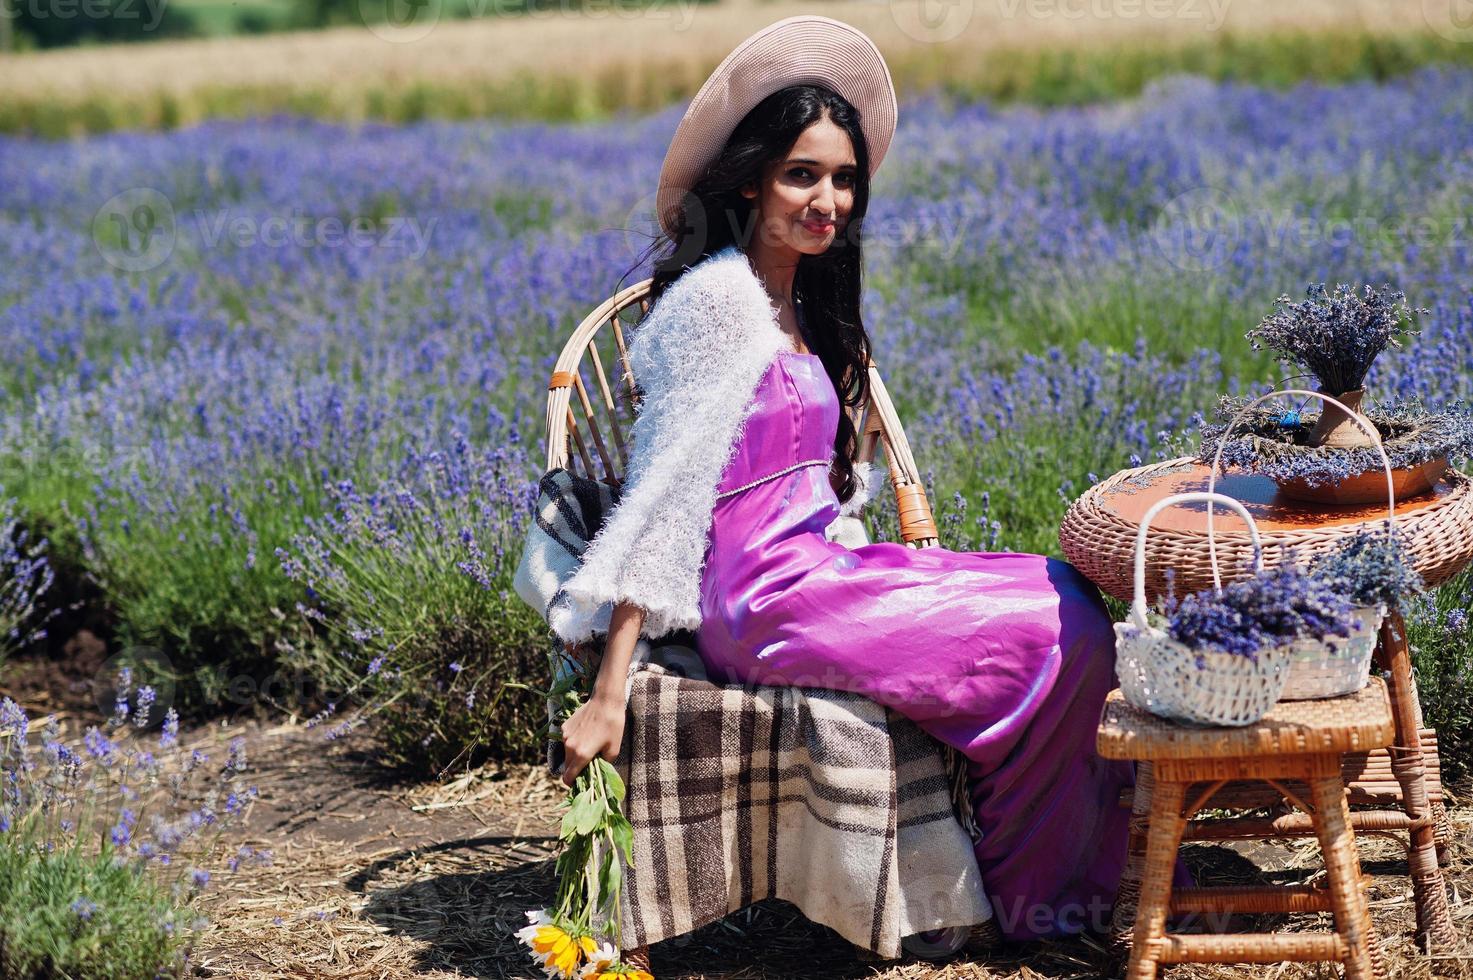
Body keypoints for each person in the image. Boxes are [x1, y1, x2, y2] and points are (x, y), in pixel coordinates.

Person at [547, 14, 1191, 945]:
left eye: (843, 178)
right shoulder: (715, 309)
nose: (829, 199)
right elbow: (661, 502)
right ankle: (1042, 903)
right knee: (1053, 632)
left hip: (820, 572)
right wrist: (611, 693)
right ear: (748, 181)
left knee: (1065, 589)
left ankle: (1074, 875)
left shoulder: (799, 304)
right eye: (801, 174)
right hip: (764, 604)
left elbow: (808, 483)